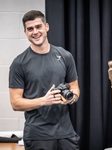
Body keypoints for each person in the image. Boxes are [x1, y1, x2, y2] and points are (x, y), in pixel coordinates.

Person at [9, 10, 80, 150]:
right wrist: (43, 101)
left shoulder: (65, 56)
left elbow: (75, 87)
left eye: (38, 26)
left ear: (46, 27)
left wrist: (72, 98)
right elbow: (15, 103)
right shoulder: (19, 63)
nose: (35, 32)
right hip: (37, 136)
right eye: (30, 29)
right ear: (25, 32)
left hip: (66, 134)